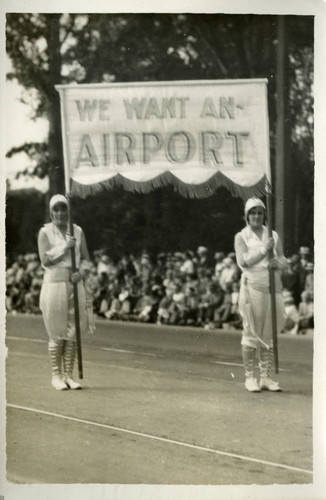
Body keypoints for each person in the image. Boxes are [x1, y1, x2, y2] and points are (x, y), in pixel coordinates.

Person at [37, 194, 91, 391]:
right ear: (51, 212)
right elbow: (45, 260)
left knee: (73, 330)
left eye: (63, 209)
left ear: (68, 211)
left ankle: (68, 375)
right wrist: (64, 247)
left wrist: (82, 272)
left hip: (74, 283)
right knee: (57, 330)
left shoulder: (77, 231)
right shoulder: (45, 232)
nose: (60, 213)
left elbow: (86, 258)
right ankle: (56, 375)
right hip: (54, 284)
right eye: (56, 209)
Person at [234, 197, 287, 392]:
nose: (256, 216)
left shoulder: (272, 234)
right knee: (251, 333)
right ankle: (250, 377)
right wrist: (265, 250)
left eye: (259, 212)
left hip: (272, 288)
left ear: (264, 214)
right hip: (252, 288)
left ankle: (265, 377)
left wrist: (278, 263)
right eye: (252, 213)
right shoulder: (241, 236)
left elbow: (283, 259)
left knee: (268, 334)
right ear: (247, 216)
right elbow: (244, 261)